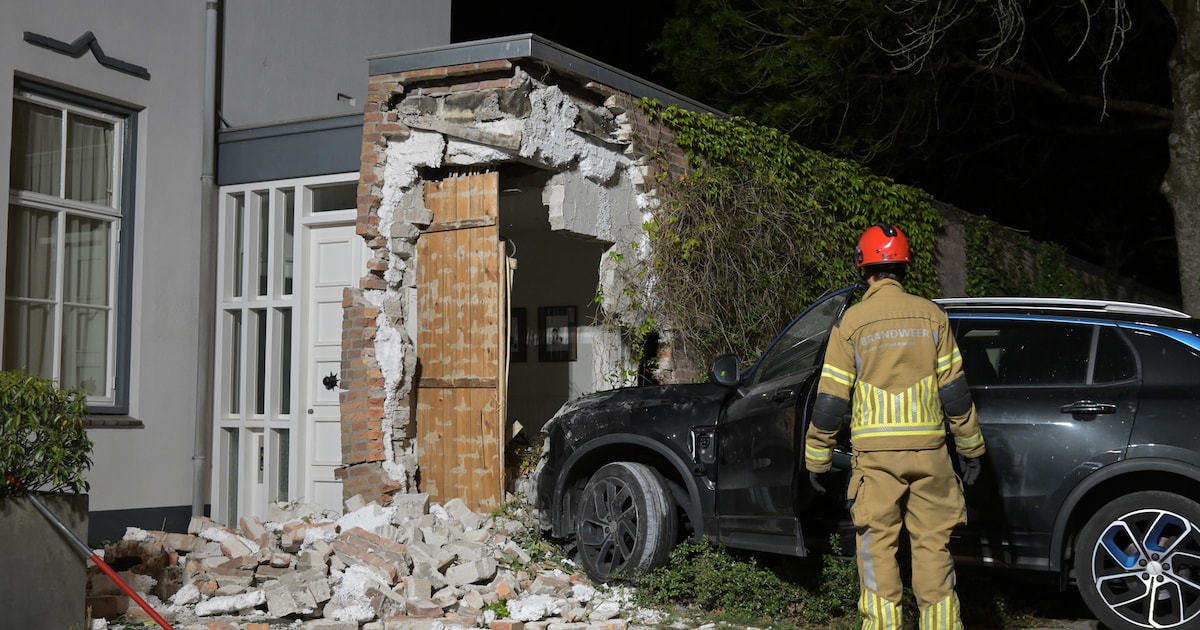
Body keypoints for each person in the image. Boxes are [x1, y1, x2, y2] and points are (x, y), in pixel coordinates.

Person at [804, 223, 986, 630]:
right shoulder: (933, 316)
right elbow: (955, 394)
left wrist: (816, 460)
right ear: (904, 266)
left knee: (876, 548)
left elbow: (831, 401)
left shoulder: (852, 322)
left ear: (863, 266)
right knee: (933, 549)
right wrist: (972, 450)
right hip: (932, 458)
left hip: (877, 462)